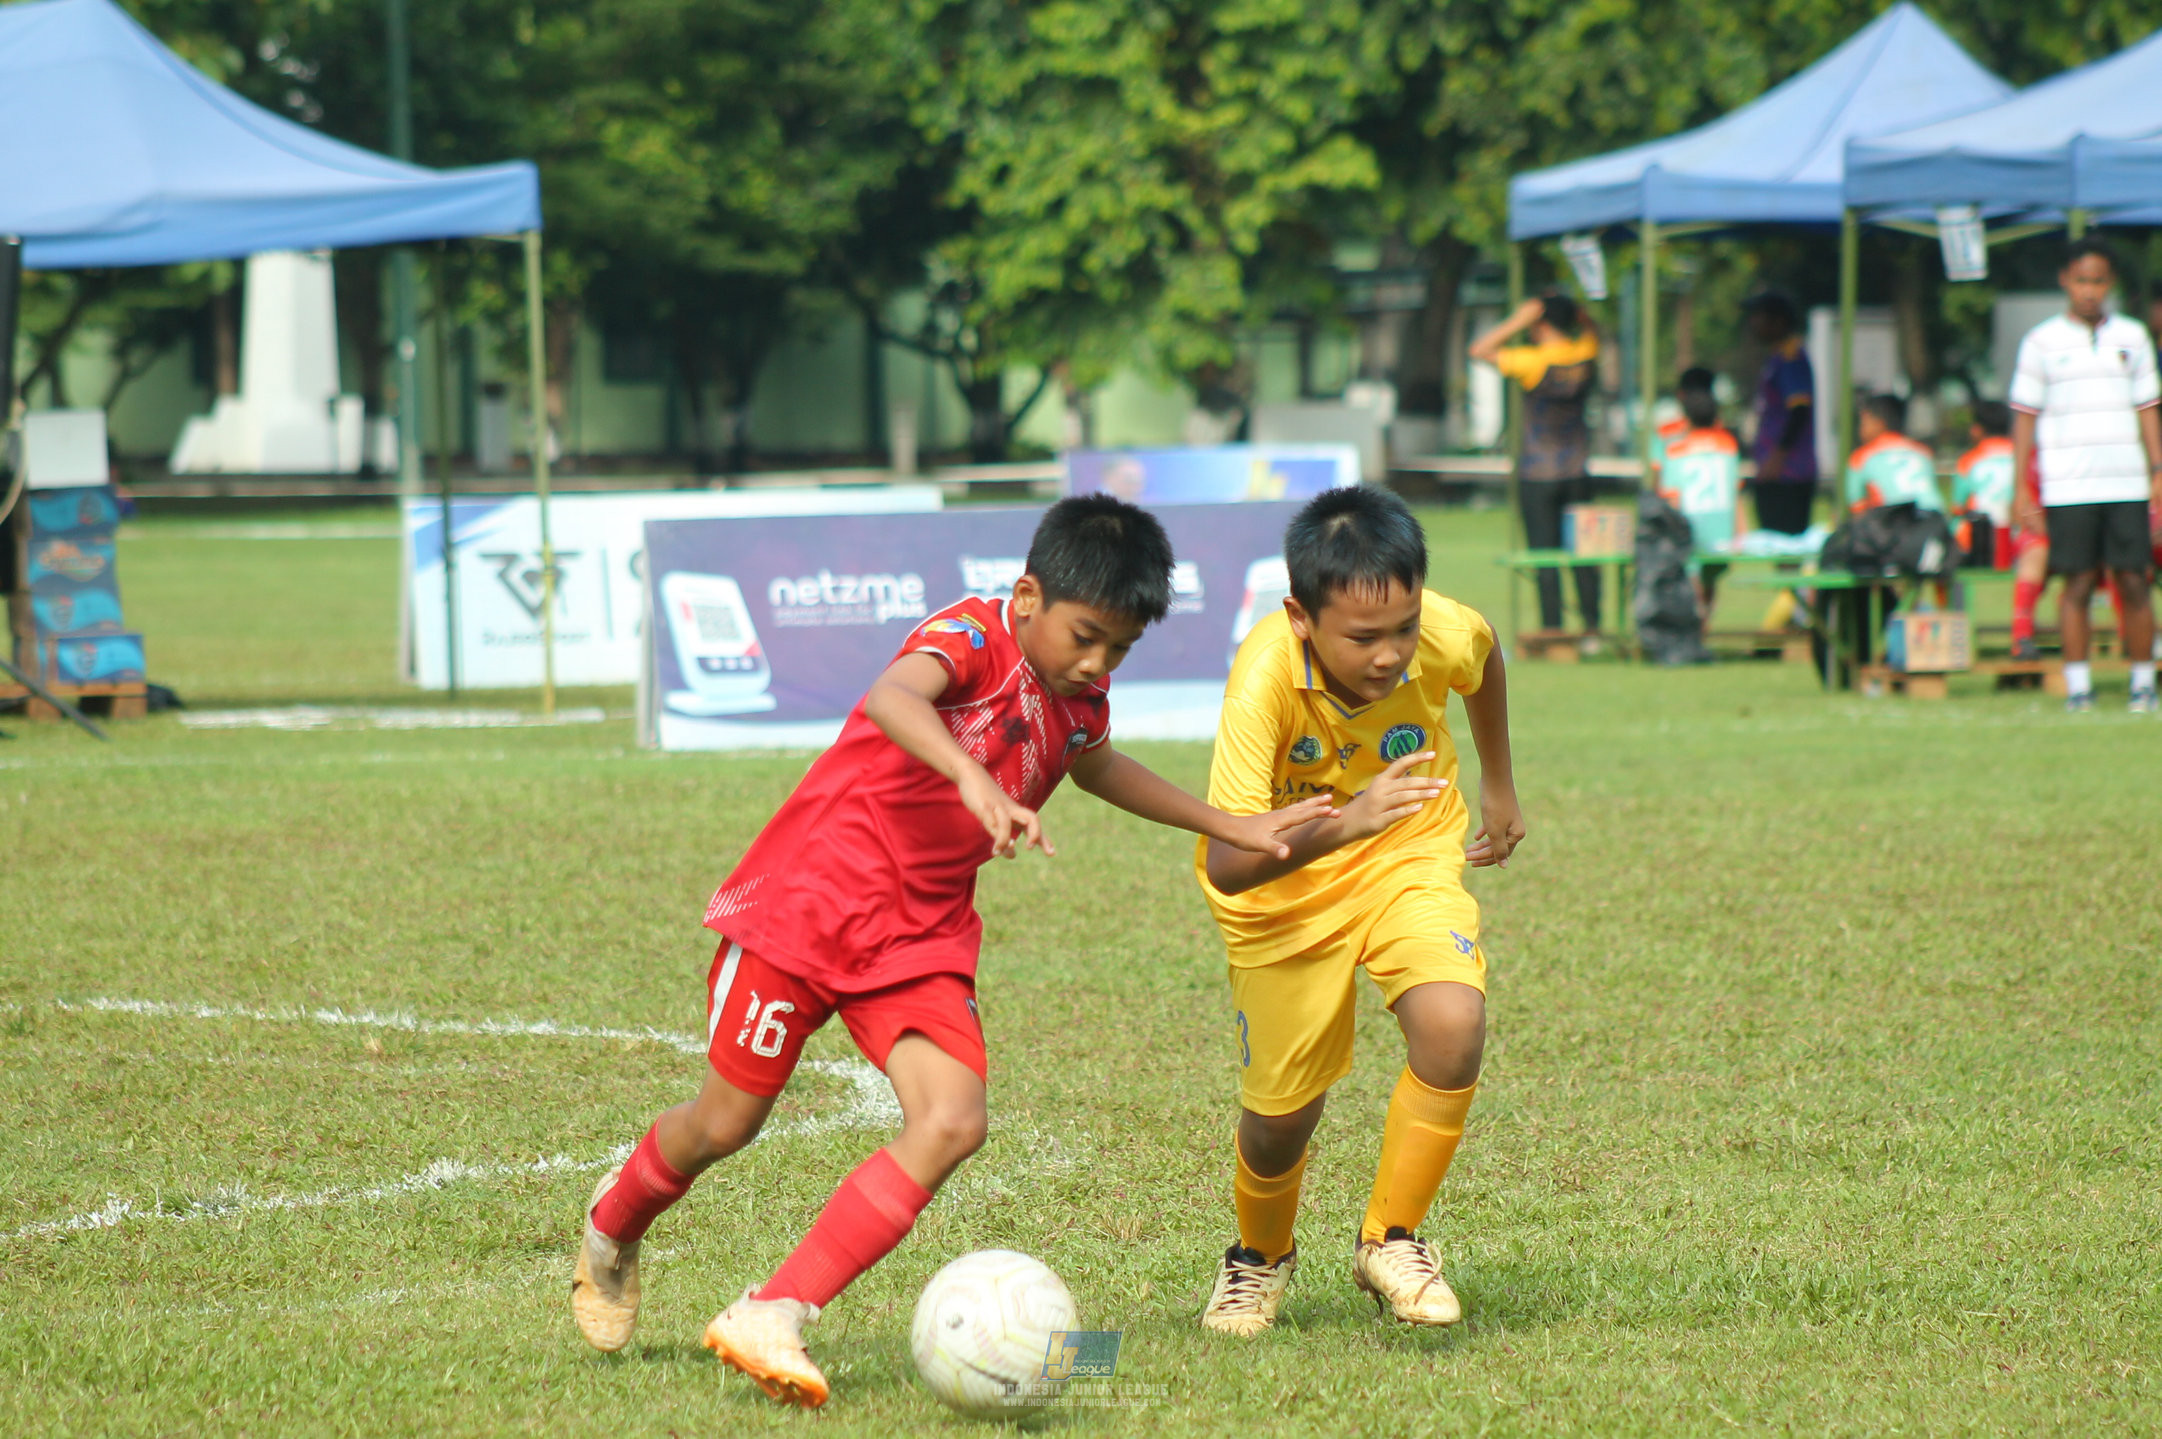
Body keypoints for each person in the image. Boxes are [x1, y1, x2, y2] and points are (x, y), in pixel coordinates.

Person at [568, 495, 1334, 1407]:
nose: (1097, 662)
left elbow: (1096, 764)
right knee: (724, 1126)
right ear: (1026, 595)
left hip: (920, 938)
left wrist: (1226, 821)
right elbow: (893, 695)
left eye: (1119, 649)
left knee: (954, 1120)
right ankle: (611, 1229)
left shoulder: (1080, 698)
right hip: (807, 907)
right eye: (1085, 635)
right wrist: (972, 774)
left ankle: (773, 1310)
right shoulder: (970, 634)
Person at [1191, 486, 1525, 1336]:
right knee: (1279, 1121)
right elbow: (1230, 861)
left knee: (1453, 1023)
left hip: (1407, 854)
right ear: (1301, 616)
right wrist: (1346, 820)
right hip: (1284, 896)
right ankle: (1257, 1260)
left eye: (1404, 629)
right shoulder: (1263, 677)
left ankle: (1392, 1239)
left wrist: (1498, 786)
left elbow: (1481, 665)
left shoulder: (1438, 630)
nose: (1391, 654)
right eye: (1364, 637)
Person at [2009, 238, 2162, 713]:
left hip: (2126, 482)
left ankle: (2142, 683)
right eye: (2081, 280)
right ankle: (2079, 687)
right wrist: (2019, 488)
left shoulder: (2133, 337)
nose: (2089, 291)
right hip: (2067, 484)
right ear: (2065, 281)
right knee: (2075, 583)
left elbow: (2148, 408)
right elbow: (2024, 416)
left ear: (2110, 284)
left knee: (2134, 580)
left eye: (2098, 281)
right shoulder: (2041, 342)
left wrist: (2157, 469)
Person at [1471, 292, 1602, 644]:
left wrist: (1519, 319)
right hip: (1577, 469)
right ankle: (1592, 628)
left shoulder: (1532, 361)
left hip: (1538, 471)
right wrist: (1582, 316)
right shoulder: (1586, 353)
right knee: (1585, 552)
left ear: (1540, 323)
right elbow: (1594, 331)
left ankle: (1553, 629)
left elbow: (1479, 350)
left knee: (1545, 556)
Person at [1651, 367, 1743, 633]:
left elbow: (1662, 482)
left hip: (1688, 522)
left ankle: (1694, 624)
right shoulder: (1726, 442)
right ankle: (1703, 621)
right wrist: (1741, 530)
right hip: (1721, 530)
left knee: (1690, 573)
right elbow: (1734, 490)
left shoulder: (1672, 440)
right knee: (1709, 575)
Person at [1744, 292, 1819, 534]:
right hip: (1777, 471)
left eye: (1759, 316)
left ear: (1778, 321)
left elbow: (1799, 410)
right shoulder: (1777, 357)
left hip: (1788, 473)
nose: (1753, 323)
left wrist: (1777, 458)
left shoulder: (1791, 357)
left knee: (1786, 548)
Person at [1843, 393, 1944, 515]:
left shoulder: (1862, 457)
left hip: (1897, 525)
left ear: (1879, 423)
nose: (1860, 430)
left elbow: (1856, 506)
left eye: (1864, 423)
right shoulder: (1922, 451)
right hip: (1936, 522)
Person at [1952, 402, 2016, 569]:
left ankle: (1953, 594)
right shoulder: (2022, 455)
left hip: (1980, 540)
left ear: (1977, 429)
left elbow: (1958, 506)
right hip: (2017, 535)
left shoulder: (1969, 460)